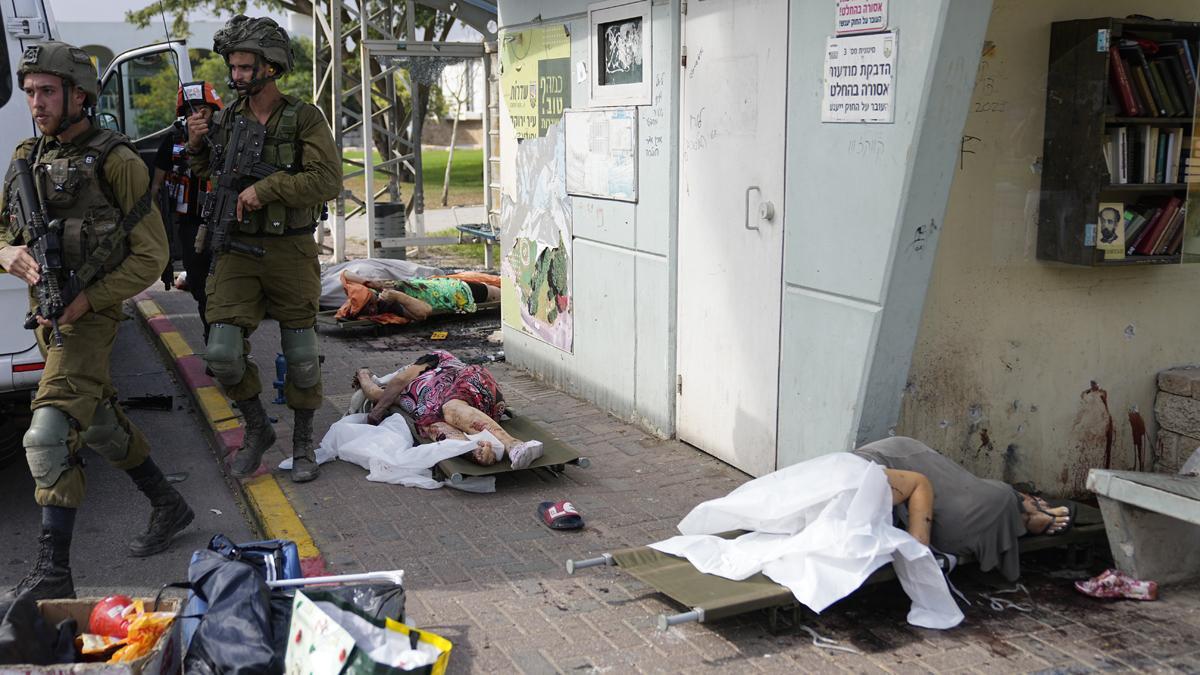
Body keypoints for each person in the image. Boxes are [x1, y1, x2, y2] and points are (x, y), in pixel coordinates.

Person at [0, 41, 194, 599]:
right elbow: (4, 232)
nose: (35, 102)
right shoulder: (24, 158)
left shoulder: (118, 160)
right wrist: (8, 254)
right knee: (101, 421)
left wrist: (91, 298)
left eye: (46, 92)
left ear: (78, 95)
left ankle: (53, 571)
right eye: (30, 91)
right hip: (47, 316)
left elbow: (151, 256)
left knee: (46, 436)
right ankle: (168, 503)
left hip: (90, 316)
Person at [186, 15, 340, 483]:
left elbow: (328, 180)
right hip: (235, 250)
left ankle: (303, 441)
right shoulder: (228, 119)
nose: (235, 76)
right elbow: (205, 172)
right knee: (222, 354)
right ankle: (257, 428)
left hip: (290, 251)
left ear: (271, 67)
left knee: (301, 357)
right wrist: (196, 145)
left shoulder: (304, 117)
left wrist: (268, 188)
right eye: (232, 67)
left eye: (245, 67)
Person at [853, 436, 1073, 581]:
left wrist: (919, 551)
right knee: (987, 501)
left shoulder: (865, 483)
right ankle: (1022, 508)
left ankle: (1023, 505)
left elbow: (918, 484)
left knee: (980, 498)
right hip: (891, 494)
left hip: (892, 467)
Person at [351, 351, 545, 469]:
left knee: (451, 408)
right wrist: (363, 375)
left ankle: (514, 446)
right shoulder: (395, 396)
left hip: (470, 385)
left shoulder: (435, 360)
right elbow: (374, 392)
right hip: (445, 413)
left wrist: (376, 414)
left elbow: (399, 380)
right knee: (433, 428)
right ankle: (479, 453)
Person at [152, 81, 223, 341]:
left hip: (226, 223)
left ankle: (226, 341)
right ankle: (213, 335)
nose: (198, 116)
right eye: (192, 110)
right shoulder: (172, 141)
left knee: (227, 287)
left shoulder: (227, 137)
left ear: (214, 110)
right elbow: (156, 186)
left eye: (204, 110)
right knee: (200, 285)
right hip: (190, 225)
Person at [339, 269, 500, 322]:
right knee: (501, 295)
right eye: (370, 301)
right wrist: (398, 296)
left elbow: (344, 274)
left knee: (497, 284)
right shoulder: (392, 304)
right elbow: (424, 311)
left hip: (442, 284)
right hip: (458, 293)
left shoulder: (378, 292)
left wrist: (369, 283)